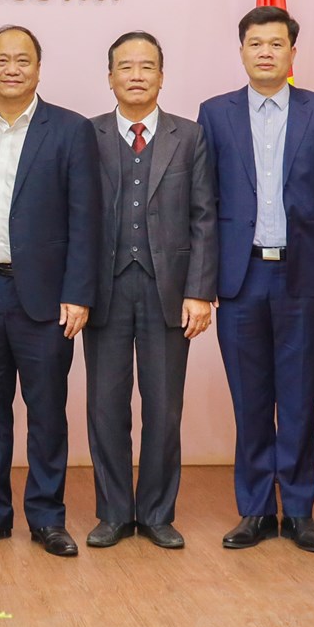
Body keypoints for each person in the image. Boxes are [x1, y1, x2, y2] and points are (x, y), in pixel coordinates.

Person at [197, 6, 314, 554]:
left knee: (297, 398)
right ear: (241, 50)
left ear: (293, 52)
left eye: (276, 43)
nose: (265, 52)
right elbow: (205, 202)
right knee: (249, 400)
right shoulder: (215, 114)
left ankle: (301, 511)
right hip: (240, 278)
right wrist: (202, 282)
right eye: (255, 43)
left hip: (304, 276)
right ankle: (256, 510)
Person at [0, 24, 101, 558]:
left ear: (38, 68)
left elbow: (86, 218)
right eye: (1, 60)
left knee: (46, 412)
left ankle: (46, 516)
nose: (11, 69)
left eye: (22, 60)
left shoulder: (70, 129)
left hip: (45, 297)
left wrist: (78, 293)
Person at [84, 31, 217, 551]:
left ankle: (158, 513)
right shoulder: (88, 134)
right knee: (106, 407)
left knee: (164, 408)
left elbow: (204, 217)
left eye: (146, 67)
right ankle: (114, 512)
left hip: (169, 290)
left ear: (162, 76)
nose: (136, 75)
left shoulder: (190, 136)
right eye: (126, 66)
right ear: (110, 77)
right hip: (105, 289)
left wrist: (199, 291)